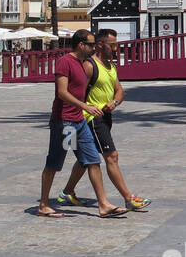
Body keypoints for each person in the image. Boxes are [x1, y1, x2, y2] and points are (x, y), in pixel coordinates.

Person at [57, 28, 152, 212]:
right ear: (100, 45)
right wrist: (76, 114)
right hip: (92, 118)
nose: (116, 48)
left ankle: (67, 192)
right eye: (113, 45)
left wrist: (114, 102)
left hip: (106, 117)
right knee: (111, 156)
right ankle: (129, 198)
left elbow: (120, 90)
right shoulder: (90, 66)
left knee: (86, 159)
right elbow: (75, 90)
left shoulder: (111, 66)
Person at [37, 29, 125, 219]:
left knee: (93, 160)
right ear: (80, 45)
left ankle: (104, 205)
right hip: (64, 122)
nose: (94, 48)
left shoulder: (81, 63)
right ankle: (44, 204)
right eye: (91, 44)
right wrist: (86, 106)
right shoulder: (65, 62)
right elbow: (62, 92)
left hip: (79, 122)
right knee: (54, 163)